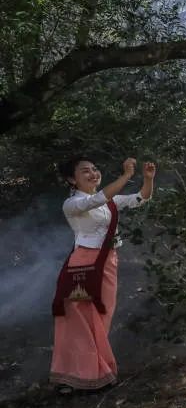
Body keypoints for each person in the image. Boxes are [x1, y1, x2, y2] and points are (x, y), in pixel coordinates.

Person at [52, 156, 156, 392]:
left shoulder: (110, 201)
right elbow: (99, 198)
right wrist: (126, 176)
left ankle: (94, 370)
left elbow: (141, 198)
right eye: (85, 171)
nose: (93, 174)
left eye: (95, 169)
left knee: (101, 315)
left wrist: (148, 180)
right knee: (79, 318)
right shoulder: (72, 204)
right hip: (82, 265)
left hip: (107, 261)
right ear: (72, 179)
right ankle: (74, 376)